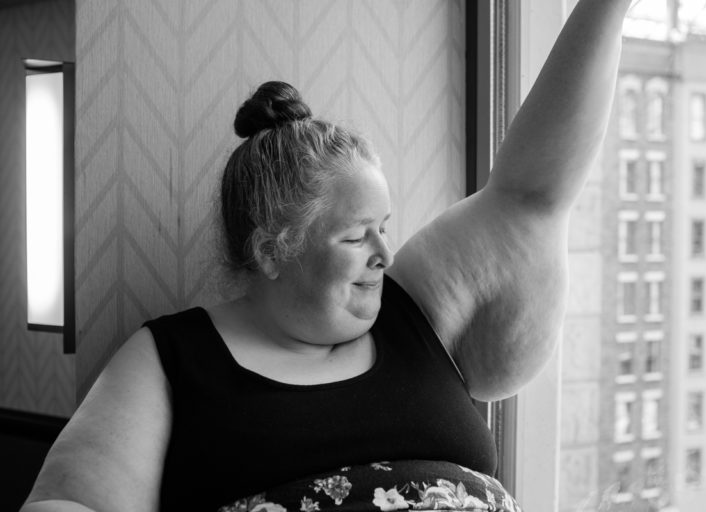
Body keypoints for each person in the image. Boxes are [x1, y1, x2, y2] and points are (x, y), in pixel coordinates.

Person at [21, 0, 633, 510]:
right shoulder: (170, 358)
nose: (385, 255)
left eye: (384, 228)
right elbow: (72, 502)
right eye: (355, 235)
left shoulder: (414, 310)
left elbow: (533, 191)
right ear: (272, 251)